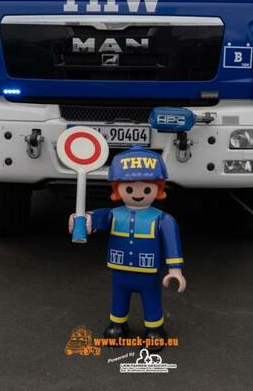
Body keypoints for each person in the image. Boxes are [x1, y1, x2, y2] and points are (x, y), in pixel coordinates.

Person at [68, 146, 186, 351]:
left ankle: (154, 329)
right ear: (117, 189)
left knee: (151, 300)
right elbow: (96, 219)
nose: (138, 194)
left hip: (148, 273)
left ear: (158, 189)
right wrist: (82, 220)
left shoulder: (163, 219)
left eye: (146, 188)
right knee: (119, 298)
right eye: (129, 188)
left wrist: (175, 270)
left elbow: (172, 246)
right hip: (120, 270)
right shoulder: (113, 214)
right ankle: (117, 325)